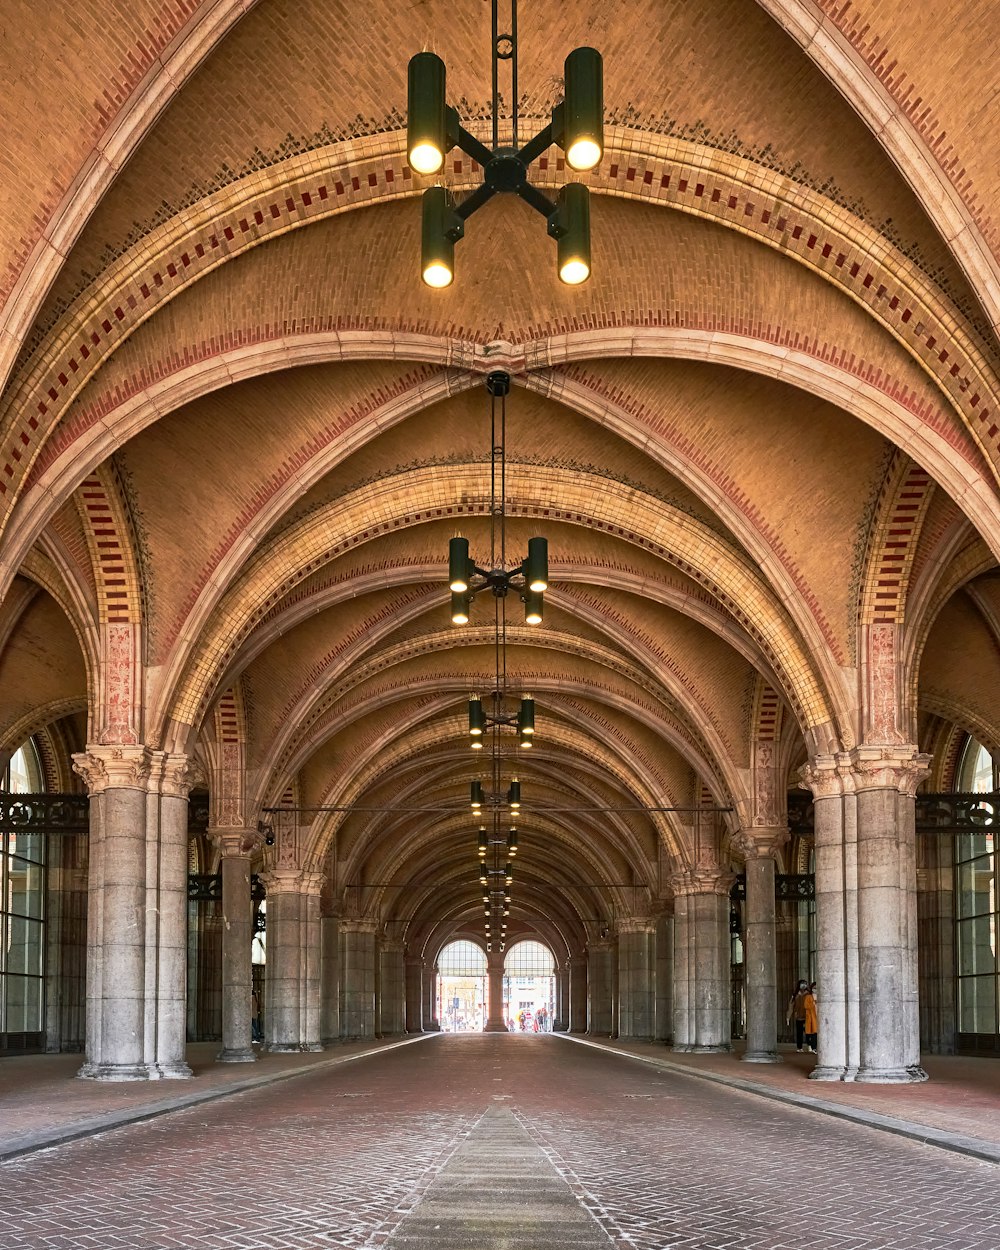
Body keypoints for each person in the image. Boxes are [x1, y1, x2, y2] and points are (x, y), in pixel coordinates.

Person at [785, 979, 808, 1051]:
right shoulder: (795, 995)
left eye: (805, 984)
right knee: (799, 1032)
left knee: (809, 1031)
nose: (803, 985)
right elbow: (791, 1006)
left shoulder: (808, 994)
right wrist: (788, 1016)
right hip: (798, 1016)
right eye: (802, 984)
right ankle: (799, 1047)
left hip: (808, 1015)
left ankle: (810, 1045)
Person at [803, 982, 818, 1053]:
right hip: (812, 1016)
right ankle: (813, 1047)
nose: (815, 989)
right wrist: (813, 1003)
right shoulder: (808, 996)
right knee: (813, 1033)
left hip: (818, 1016)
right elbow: (806, 1006)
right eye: (814, 988)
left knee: (817, 1033)